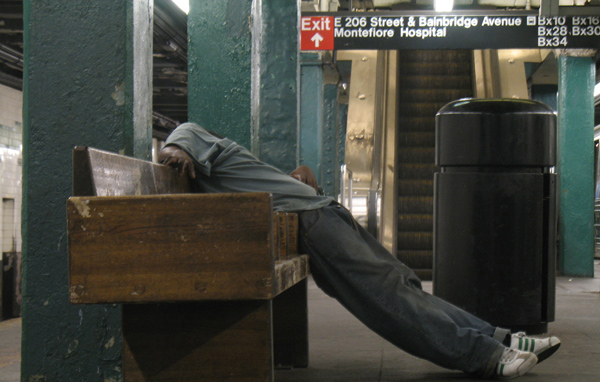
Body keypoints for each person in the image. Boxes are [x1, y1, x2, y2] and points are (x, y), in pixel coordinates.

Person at [159, 122, 561, 380]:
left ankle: (497, 344)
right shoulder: (208, 148)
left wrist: (294, 178)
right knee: (391, 292)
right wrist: (176, 149)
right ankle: (493, 348)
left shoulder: (217, 151)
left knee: (397, 288)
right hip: (316, 218)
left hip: (319, 215)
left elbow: (196, 139)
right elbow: (181, 137)